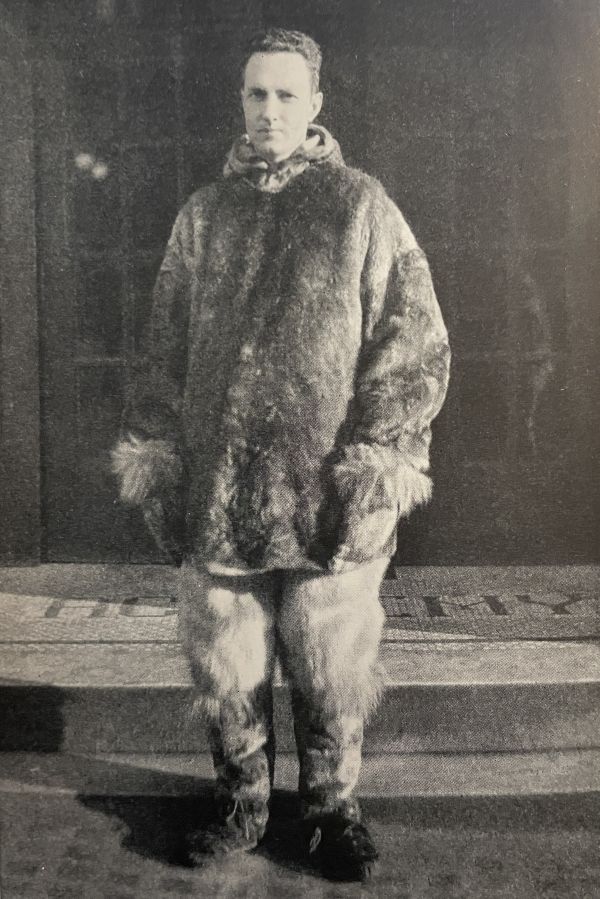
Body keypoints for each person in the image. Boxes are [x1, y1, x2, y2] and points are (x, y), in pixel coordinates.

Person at [112, 27, 450, 882]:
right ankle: (242, 804)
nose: (269, 111)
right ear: (241, 101)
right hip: (221, 489)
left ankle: (331, 810)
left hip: (324, 491)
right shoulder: (203, 216)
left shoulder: (361, 206)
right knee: (228, 657)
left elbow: (413, 340)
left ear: (316, 105)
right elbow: (163, 349)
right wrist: (160, 457)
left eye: (286, 95)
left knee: (330, 658)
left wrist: (377, 459)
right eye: (256, 94)